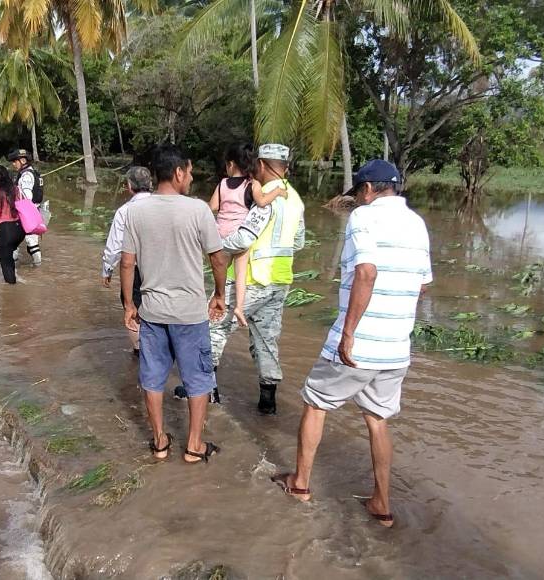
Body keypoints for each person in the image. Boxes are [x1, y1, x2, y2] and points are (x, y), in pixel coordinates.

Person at [271, 160, 432, 528]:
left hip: (360, 343)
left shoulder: (364, 218)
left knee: (315, 404)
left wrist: (348, 333)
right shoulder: (417, 224)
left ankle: (300, 484)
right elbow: (423, 283)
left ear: (368, 190)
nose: (357, 200)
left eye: (358, 193)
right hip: (395, 347)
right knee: (377, 419)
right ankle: (381, 503)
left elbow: (366, 271)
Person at [175, 143, 305, 411]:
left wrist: (216, 250)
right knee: (266, 338)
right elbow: (299, 242)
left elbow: (245, 236)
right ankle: (267, 401)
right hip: (280, 281)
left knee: (210, 328)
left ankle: (205, 389)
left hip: (251, 278)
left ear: (261, 165)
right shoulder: (295, 198)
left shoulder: (264, 197)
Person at [121, 144, 228, 463]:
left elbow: (127, 263)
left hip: (152, 312)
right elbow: (218, 259)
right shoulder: (198, 211)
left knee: (152, 377)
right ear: (179, 172)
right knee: (198, 379)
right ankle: (194, 445)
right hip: (190, 314)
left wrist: (129, 304)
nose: (192, 177)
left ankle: (159, 442)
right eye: (190, 171)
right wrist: (220, 295)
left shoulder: (135, 211)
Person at [209, 144, 289, 328]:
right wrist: (277, 191)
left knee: (220, 269)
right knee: (240, 272)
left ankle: (217, 295)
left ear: (230, 165)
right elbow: (261, 202)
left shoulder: (222, 184)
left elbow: (211, 208)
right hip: (239, 235)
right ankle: (238, 307)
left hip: (221, 235)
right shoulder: (252, 184)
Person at [101, 166, 153, 354]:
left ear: (129, 186)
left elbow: (115, 244)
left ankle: (140, 351)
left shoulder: (125, 211)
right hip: (163, 268)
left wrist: (107, 269)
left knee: (132, 308)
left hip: (136, 270)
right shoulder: (163, 206)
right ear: (151, 184)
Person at [7, 149, 43, 266]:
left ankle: (12, 266)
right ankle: (37, 268)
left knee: (23, 241)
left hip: (26, 212)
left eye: (15, 161)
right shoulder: (33, 173)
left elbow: (27, 196)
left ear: (23, 161)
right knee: (30, 241)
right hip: (34, 211)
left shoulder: (26, 176)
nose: (13, 164)